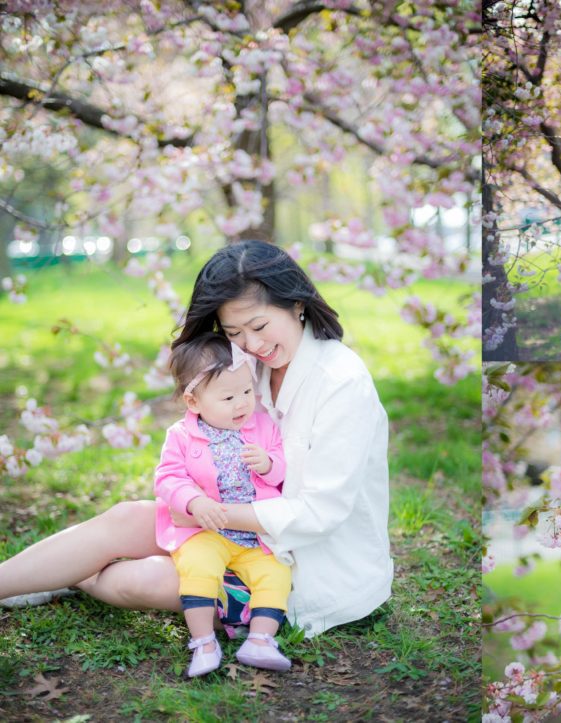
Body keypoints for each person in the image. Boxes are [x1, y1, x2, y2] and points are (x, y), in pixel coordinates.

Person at [0, 240, 392, 641]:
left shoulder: (342, 382)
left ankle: (73, 574)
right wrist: (195, 502)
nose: (253, 346)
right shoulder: (245, 366)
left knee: (142, 580)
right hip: (228, 528)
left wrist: (211, 512)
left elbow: (319, 513)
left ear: (296, 304)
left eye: (259, 326)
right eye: (235, 333)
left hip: (303, 568)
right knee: (123, 517)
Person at [158, 333, 292, 677]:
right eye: (228, 397)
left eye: (247, 392)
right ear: (194, 402)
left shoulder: (262, 426)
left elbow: (282, 466)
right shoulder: (181, 436)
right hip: (208, 530)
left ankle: (261, 640)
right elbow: (168, 477)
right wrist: (193, 500)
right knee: (198, 569)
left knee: (276, 574)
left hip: (253, 536)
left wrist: (269, 463)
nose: (242, 404)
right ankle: (203, 642)